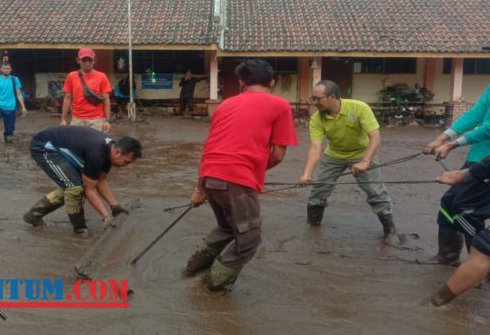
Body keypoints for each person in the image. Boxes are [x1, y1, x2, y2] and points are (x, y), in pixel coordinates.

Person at [186, 59, 298, 291]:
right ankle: (212, 287)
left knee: (227, 228)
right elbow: (277, 155)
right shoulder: (280, 105)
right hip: (236, 180)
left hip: (209, 176)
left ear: (241, 82)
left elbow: (210, 148)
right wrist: (250, 170)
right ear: (272, 82)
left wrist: (200, 188)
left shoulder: (224, 105)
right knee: (248, 240)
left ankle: (191, 269)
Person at [297, 80, 401, 245]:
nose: (314, 103)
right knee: (319, 189)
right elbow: (315, 149)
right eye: (313, 99)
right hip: (334, 155)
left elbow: (375, 137)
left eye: (317, 99)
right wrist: (306, 174)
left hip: (362, 153)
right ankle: (313, 226)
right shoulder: (317, 119)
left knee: (375, 190)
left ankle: (390, 230)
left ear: (332, 97)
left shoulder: (359, 108)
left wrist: (366, 161)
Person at [24, 126, 142, 236]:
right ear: (117, 152)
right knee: (74, 188)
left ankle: (34, 215)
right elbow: (89, 190)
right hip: (44, 147)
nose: (126, 166)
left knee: (73, 185)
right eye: (126, 162)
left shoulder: (109, 151)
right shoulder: (96, 154)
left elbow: (101, 181)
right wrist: (106, 216)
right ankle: (80, 230)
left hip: (60, 147)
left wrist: (115, 206)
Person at [419, 83, 490, 265]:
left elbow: (488, 127)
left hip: (487, 164)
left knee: (466, 212)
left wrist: (452, 144)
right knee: (449, 204)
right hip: (477, 159)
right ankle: (448, 257)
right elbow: (474, 116)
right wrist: (441, 139)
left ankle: (481, 268)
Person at [431, 155, 490, 306]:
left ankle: (437, 302)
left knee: (483, 250)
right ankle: (448, 257)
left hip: (478, 170)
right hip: (476, 165)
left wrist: (460, 176)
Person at [61, 48, 112, 132]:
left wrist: (107, 120)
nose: (87, 63)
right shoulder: (71, 76)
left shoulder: (102, 77)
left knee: (95, 144)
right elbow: (67, 98)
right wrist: (63, 119)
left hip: (97, 120)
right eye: (84, 60)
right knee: (77, 144)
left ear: (94, 60)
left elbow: (106, 100)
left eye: (90, 60)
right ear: (78, 60)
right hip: (77, 119)